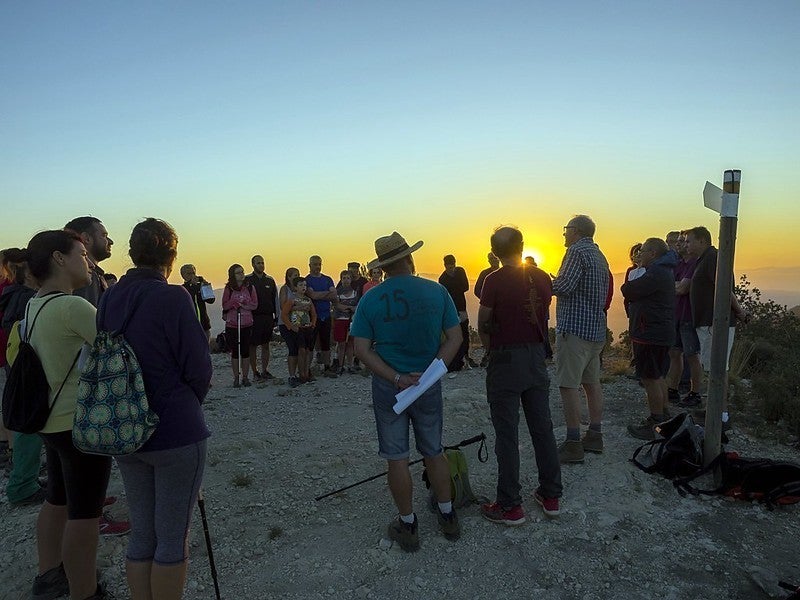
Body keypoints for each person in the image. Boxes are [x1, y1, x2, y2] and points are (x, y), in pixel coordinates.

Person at [100, 218, 212, 600]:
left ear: (132, 254)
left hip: (126, 429)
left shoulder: (109, 297)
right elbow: (199, 367)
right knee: (171, 538)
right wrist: (188, 405)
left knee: (142, 534)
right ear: (171, 256)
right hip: (175, 430)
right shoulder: (173, 297)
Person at [351, 231, 462, 552]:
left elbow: (361, 348)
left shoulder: (371, 298)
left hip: (390, 388)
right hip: (427, 385)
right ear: (410, 259)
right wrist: (429, 373)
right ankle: (447, 515)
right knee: (434, 451)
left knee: (397, 458)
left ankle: (408, 524)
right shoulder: (437, 291)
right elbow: (455, 339)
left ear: (383, 267)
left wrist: (397, 377)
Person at [24, 229, 108, 600]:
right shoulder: (73, 307)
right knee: (85, 516)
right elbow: (115, 352)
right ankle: (84, 592)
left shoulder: (34, 304)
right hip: (81, 426)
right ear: (60, 258)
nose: (87, 263)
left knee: (57, 499)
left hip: (50, 422)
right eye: (81, 255)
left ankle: (48, 575)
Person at [477, 226, 563, 525]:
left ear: (494, 251)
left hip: (506, 359)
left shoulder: (493, 280)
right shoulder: (540, 277)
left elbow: (484, 320)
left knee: (507, 433)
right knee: (542, 427)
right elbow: (541, 313)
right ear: (522, 245)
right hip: (536, 356)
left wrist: (490, 352)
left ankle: (510, 505)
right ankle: (551, 495)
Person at [64, 217, 129, 536]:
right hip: (87, 386)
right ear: (85, 240)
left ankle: (94, 503)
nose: (110, 240)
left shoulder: (87, 276)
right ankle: (93, 515)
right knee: (89, 457)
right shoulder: (87, 279)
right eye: (104, 234)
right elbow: (95, 337)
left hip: (74, 386)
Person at [552, 215, 610, 464]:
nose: (564, 234)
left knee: (568, 385)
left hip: (574, 330)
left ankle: (573, 442)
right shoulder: (600, 255)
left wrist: (547, 281)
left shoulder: (576, 252)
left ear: (575, 231)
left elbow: (564, 287)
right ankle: (594, 435)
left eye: (566, 229)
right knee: (591, 383)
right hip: (596, 331)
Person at [685, 226, 749, 429]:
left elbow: (725, 289)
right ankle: (714, 410)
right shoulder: (704, 259)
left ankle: (721, 416)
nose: (686, 245)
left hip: (715, 325)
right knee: (713, 369)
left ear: (702, 241)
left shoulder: (712, 258)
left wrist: (738, 311)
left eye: (689, 241)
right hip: (709, 324)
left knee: (718, 370)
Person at [0, 251, 45, 506]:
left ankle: (24, 479)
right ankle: (22, 486)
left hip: (17, 367)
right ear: (29, 273)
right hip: (29, 371)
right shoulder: (27, 299)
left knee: (26, 427)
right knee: (30, 429)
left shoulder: (12, 296)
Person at [621, 238, 677, 439]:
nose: (639, 255)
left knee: (650, 378)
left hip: (649, 334)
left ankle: (655, 422)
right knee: (658, 375)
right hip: (660, 332)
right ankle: (664, 415)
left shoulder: (656, 272)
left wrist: (629, 289)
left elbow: (629, 290)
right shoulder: (664, 270)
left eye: (642, 251)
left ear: (652, 253)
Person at [667, 231, 704, 408]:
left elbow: (682, 288)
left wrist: (676, 286)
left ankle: (695, 393)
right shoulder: (680, 264)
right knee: (675, 353)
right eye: (680, 241)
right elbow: (672, 285)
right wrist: (676, 286)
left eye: (684, 241)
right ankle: (672, 390)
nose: (680, 244)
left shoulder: (695, 263)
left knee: (692, 356)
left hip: (689, 315)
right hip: (676, 314)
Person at [63, 216, 113, 307]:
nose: (110, 241)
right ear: (86, 238)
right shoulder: (86, 277)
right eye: (104, 236)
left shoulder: (94, 275)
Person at [222, 264, 258, 388]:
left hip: (247, 323)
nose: (241, 274)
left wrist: (244, 305)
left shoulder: (250, 288)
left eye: (242, 272)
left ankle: (245, 377)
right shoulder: (229, 288)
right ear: (233, 275)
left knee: (245, 350)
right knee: (235, 352)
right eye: (238, 272)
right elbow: (225, 305)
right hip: (233, 323)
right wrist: (234, 303)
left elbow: (254, 305)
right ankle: (236, 377)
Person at [246, 255, 278, 381]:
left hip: (268, 317)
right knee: (252, 345)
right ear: (253, 264)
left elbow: (275, 299)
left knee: (266, 344)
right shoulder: (247, 280)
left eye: (262, 262)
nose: (261, 265)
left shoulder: (270, 280)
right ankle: (255, 372)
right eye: (258, 263)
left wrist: (277, 316)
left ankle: (265, 370)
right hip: (253, 317)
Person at [281, 276, 317, 385]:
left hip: (307, 328)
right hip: (297, 328)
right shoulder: (292, 300)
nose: (303, 287)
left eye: (305, 285)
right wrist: (291, 326)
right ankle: (301, 374)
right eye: (301, 285)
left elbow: (314, 314)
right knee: (301, 351)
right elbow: (284, 314)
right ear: (295, 287)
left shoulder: (308, 300)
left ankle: (306, 373)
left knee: (308, 351)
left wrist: (313, 324)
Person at [305, 255, 338, 377]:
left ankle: (327, 366)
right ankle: (307, 369)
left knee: (326, 343)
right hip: (313, 317)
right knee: (310, 344)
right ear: (310, 265)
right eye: (315, 264)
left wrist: (320, 295)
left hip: (326, 315)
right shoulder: (307, 280)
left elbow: (334, 296)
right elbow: (313, 296)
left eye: (319, 264)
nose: (317, 266)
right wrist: (327, 294)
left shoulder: (328, 279)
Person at [439, 254, 472, 371]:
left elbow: (466, 287)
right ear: (445, 266)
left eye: (452, 266)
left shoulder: (460, 271)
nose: (451, 269)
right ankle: (457, 360)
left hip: (462, 307)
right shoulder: (442, 279)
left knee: (465, 333)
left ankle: (466, 357)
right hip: (451, 309)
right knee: (453, 335)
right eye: (449, 267)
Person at [180, 264, 215, 344]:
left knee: (205, 349)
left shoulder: (200, 286)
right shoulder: (182, 288)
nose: (192, 276)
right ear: (183, 275)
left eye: (193, 273)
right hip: (190, 324)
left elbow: (211, 300)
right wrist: (192, 285)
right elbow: (189, 295)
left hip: (204, 323)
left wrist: (206, 286)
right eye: (189, 274)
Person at [278, 267, 301, 386]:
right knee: (292, 348)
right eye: (294, 275)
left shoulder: (300, 289)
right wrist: (296, 307)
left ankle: (300, 373)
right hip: (286, 323)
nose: (296, 276)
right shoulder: (284, 289)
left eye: (298, 274)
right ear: (288, 277)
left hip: (299, 323)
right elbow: (282, 306)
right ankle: (291, 375)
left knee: (299, 348)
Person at [333, 270, 358, 374]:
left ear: (351, 280)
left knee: (350, 343)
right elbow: (337, 305)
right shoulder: (337, 292)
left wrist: (348, 308)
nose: (346, 280)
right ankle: (340, 365)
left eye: (348, 278)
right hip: (340, 320)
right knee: (341, 343)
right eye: (344, 278)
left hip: (351, 320)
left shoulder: (355, 292)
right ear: (341, 279)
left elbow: (357, 306)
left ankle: (350, 365)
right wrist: (349, 307)